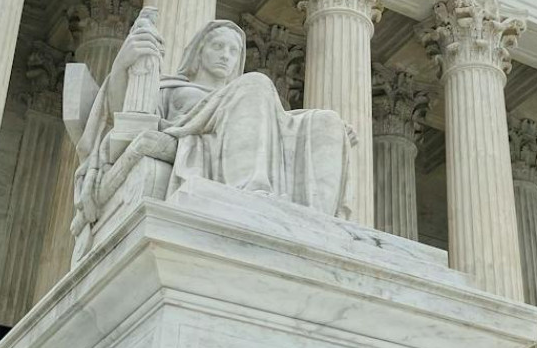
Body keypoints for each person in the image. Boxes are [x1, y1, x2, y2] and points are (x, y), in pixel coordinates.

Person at [74, 17, 352, 230]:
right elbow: (127, 119)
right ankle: (248, 194)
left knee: (327, 120)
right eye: (218, 46)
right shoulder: (169, 88)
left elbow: (273, 124)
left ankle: (319, 224)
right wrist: (123, 64)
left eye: (233, 51)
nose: (226, 55)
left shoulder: (246, 97)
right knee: (256, 82)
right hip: (194, 136)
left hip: (235, 133)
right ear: (198, 52)